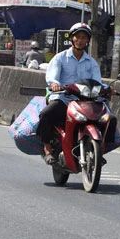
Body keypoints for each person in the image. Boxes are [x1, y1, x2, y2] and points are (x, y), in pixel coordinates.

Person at [37, 22, 106, 164]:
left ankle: (100, 149)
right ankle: (47, 148)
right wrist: (55, 84)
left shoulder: (92, 63)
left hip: (85, 100)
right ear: (72, 39)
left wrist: (107, 89)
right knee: (45, 114)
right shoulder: (60, 58)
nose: (80, 40)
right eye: (77, 37)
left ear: (88, 41)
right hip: (63, 98)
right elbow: (52, 76)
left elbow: (97, 82)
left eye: (84, 38)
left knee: (106, 116)